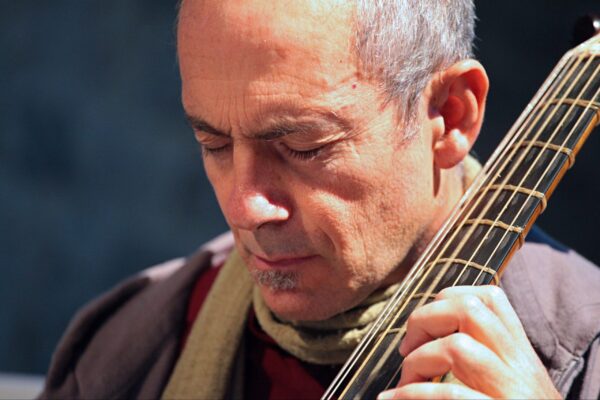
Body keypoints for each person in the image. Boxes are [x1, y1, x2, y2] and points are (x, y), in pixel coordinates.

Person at [40, 0, 600, 399]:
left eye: (304, 147)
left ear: (449, 115)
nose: (245, 208)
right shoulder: (123, 348)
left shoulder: (587, 354)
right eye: (213, 145)